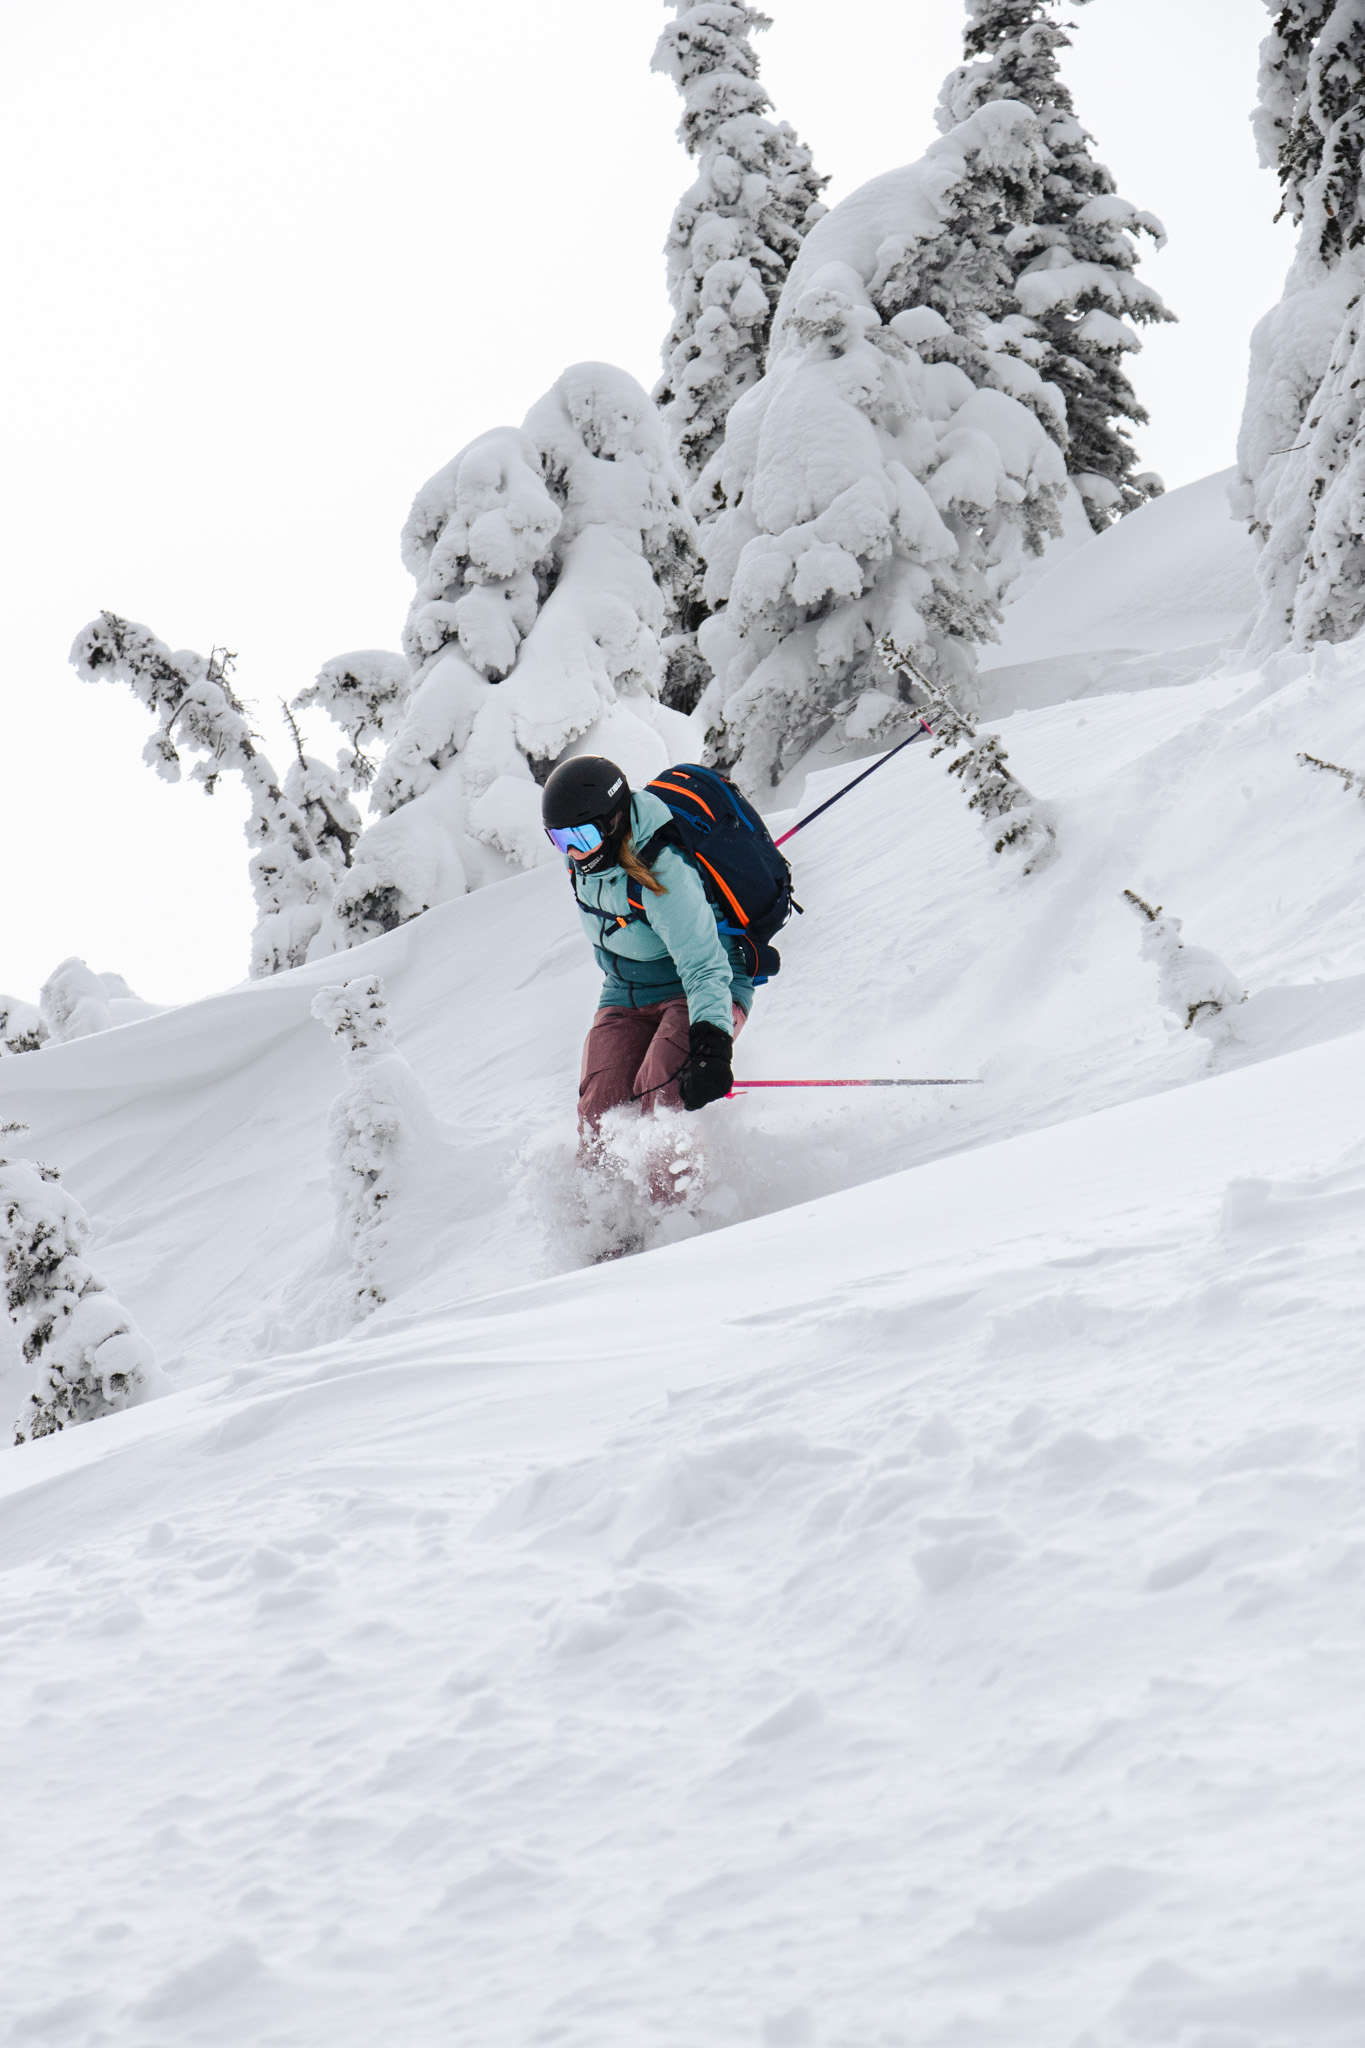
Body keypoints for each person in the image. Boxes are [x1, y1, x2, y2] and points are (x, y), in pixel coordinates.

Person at [541, 754, 751, 1132]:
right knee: (598, 1113)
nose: (572, 853)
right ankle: (601, 1192)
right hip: (626, 992)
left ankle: (682, 1191)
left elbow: (705, 966)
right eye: (559, 840)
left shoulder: (661, 872)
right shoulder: (583, 864)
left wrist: (712, 1046)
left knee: (661, 1097)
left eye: (582, 837)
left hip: (701, 986)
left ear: (612, 822)